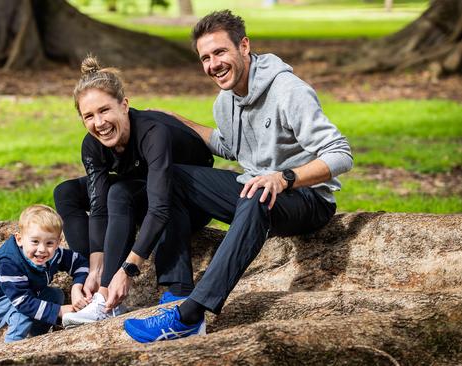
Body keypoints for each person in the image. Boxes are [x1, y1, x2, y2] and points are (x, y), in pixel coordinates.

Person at [124, 10, 353, 343]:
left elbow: (340, 154)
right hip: (257, 190)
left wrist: (284, 177)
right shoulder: (224, 101)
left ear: (244, 46)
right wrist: (179, 120)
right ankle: (178, 291)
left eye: (220, 52)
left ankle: (191, 316)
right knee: (170, 177)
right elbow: (230, 146)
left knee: (255, 192)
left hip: (307, 198)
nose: (213, 64)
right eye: (205, 57)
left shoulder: (289, 90)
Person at [53, 56, 214, 327]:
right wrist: (96, 267)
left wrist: (127, 268)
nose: (99, 122)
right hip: (143, 182)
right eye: (89, 116)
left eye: (105, 110)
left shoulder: (153, 132)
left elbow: (160, 207)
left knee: (121, 194)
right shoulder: (93, 145)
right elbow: (99, 206)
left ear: (124, 105)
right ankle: (86, 280)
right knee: (66, 191)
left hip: (193, 195)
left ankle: (125, 299)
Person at [0, 204, 89, 342]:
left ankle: (35, 337)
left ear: (58, 243)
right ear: (20, 239)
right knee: (22, 315)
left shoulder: (55, 254)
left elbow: (80, 263)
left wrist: (77, 286)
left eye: (49, 243)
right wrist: (59, 311)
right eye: (35, 242)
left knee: (55, 295)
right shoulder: (10, 262)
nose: (42, 249)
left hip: (22, 294)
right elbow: (22, 302)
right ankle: (12, 348)